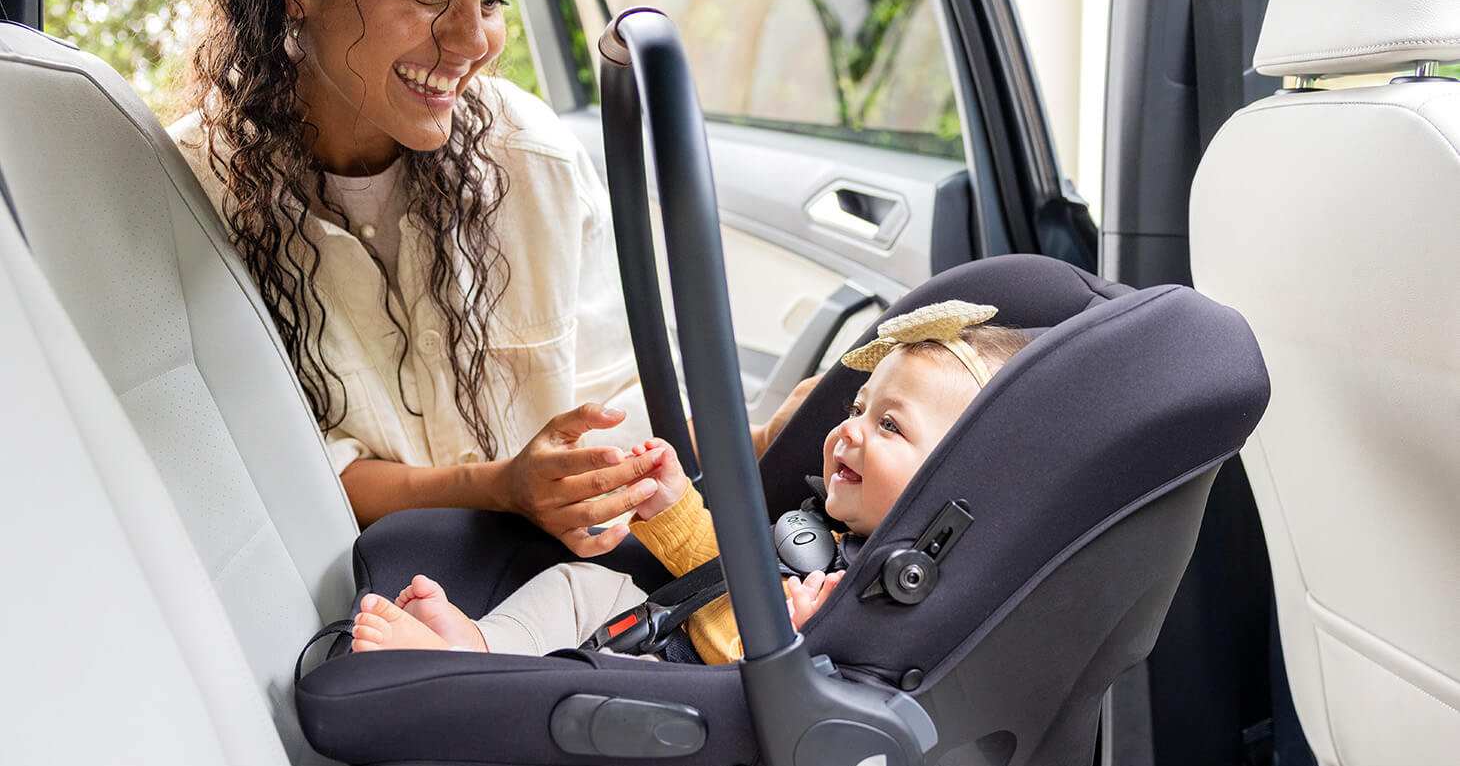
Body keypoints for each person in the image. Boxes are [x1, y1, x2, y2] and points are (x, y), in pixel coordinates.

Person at [167, 0, 805, 553]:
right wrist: (500, 488)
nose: (472, 41)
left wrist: (762, 440)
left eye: (493, 0)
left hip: (567, 586)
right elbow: (289, 471)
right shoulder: (191, 194)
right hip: (375, 606)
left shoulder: (531, 156)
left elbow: (615, 399)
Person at [350, 301, 1031, 663]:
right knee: (582, 585)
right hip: (673, 626)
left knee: (617, 687)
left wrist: (804, 645)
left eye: (889, 428)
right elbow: (722, 574)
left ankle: (469, 685)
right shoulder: (825, 529)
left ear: (952, 476)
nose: (847, 431)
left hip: (702, 702)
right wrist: (674, 506)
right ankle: (481, 649)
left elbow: (845, 694)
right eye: (857, 410)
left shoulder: (893, 592)